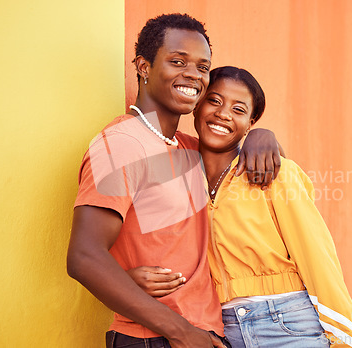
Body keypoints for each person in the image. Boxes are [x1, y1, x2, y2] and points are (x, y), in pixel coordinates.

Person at [66, 14, 282, 348]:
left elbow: (238, 150)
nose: (193, 75)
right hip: (156, 338)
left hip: (203, 333)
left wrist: (262, 136)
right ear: (144, 66)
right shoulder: (122, 144)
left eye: (202, 67)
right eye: (178, 61)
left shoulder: (188, 147)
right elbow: (84, 256)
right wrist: (181, 332)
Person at [130, 66, 352, 348]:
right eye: (214, 101)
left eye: (239, 110)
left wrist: (346, 339)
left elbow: (319, 258)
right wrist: (126, 278)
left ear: (250, 122)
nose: (223, 114)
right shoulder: (179, 175)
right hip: (222, 330)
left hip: (289, 325)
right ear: (196, 106)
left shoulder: (276, 175)